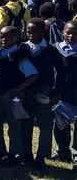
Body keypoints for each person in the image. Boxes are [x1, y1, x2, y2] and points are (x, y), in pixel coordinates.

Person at [0, 26, 39, 166]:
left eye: (7, 37)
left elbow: (33, 75)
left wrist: (18, 89)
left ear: (15, 38)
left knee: (14, 126)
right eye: (1, 37)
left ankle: (15, 154)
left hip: (13, 96)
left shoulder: (19, 55)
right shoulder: (0, 53)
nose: (3, 40)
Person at [20, 18, 63, 169]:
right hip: (26, 91)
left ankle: (41, 156)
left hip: (44, 91)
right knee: (26, 123)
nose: (31, 35)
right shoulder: (23, 48)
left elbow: (59, 72)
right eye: (28, 32)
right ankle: (26, 154)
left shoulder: (51, 50)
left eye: (35, 32)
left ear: (43, 32)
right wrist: (23, 90)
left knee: (45, 125)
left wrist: (55, 93)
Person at [52, 21, 77, 170]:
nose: (71, 35)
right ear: (63, 32)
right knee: (60, 124)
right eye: (68, 32)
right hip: (60, 93)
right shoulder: (56, 49)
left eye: (75, 33)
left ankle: (76, 155)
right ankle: (62, 152)